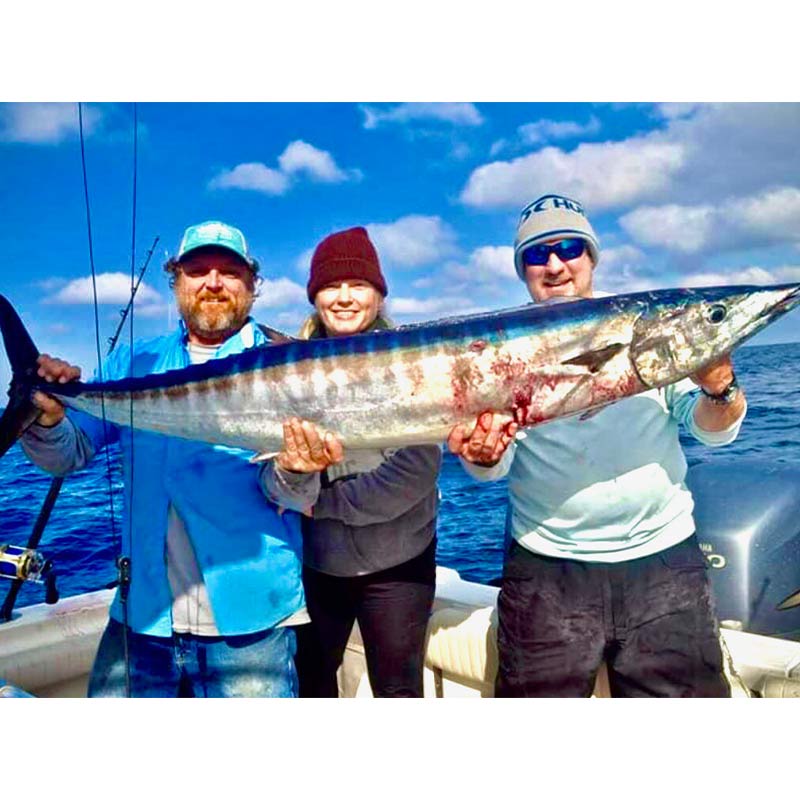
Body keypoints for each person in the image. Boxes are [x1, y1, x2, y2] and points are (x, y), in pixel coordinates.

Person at [447, 194, 747, 698]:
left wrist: (720, 387)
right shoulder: (496, 349)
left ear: (591, 256)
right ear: (522, 269)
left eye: (569, 247)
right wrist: (484, 456)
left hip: (665, 563)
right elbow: (493, 468)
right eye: (537, 254)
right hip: (547, 570)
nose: (556, 264)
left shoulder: (653, 325)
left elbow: (713, 429)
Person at [20, 220, 306, 697]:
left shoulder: (289, 365)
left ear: (252, 286)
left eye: (229, 272)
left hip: (252, 616)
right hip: (142, 614)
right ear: (176, 283)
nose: (213, 282)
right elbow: (71, 454)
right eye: (197, 270)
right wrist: (48, 420)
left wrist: (298, 468)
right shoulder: (133, 364)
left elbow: (297, 494)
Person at [261, 226, 441, 698]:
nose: (343, 297)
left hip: (400, 566)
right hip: (316, 566)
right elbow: (270, 477)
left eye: (358, 285)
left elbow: (414, 475)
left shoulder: (414, 362)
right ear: (314, 297)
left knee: (399, 692)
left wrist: (318, 504)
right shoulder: (283, 370)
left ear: (378, 296)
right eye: (330, 286)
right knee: (312, 687)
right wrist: (296, 481)